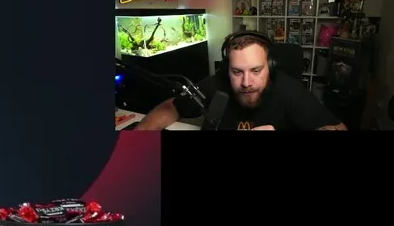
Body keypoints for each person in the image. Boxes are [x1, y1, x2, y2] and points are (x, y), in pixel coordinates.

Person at [132, 31, 345, 131]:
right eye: (237, 71)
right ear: (227, 68)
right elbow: (173, 106)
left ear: (270, 66)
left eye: (256, 70)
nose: (246, 82)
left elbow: (338, 128)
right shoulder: (217, 84)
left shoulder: (290, 90)